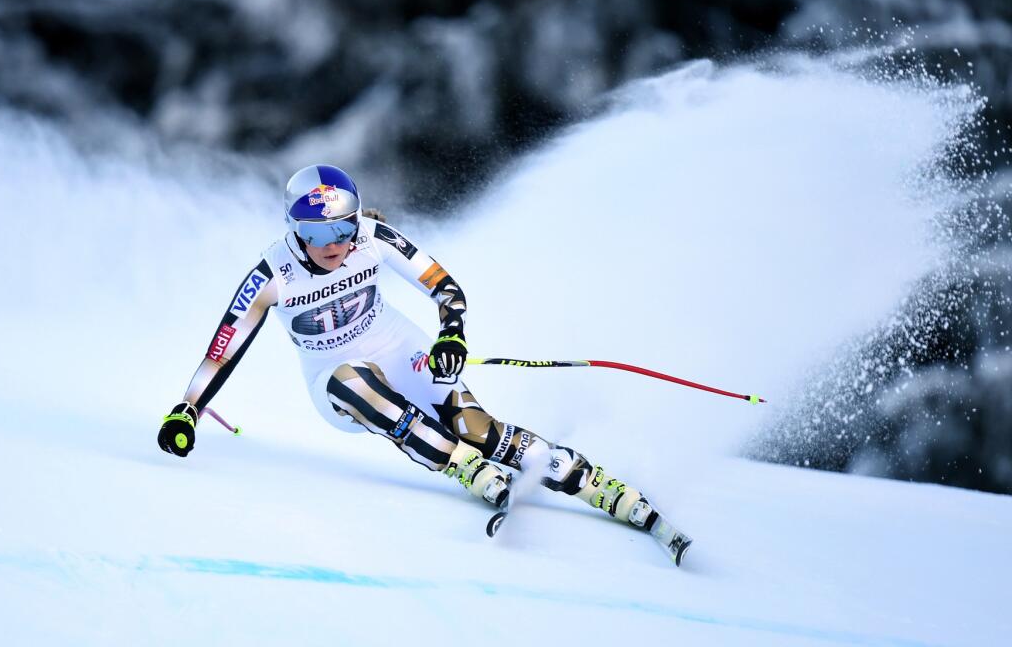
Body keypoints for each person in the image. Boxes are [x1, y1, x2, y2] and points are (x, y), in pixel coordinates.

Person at [157, 164, 660, 533]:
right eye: (318, 233)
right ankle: (460, 466)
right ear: (294, 231)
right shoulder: (273, 275)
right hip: (334, 374)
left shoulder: (373, 238)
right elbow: (224, 350)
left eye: (344, 226)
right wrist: (188, 409)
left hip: (401, 347)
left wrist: (451, 335)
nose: (335, 244)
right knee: (352, 383)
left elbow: (443, 287)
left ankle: (592, 482)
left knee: (477, 428)